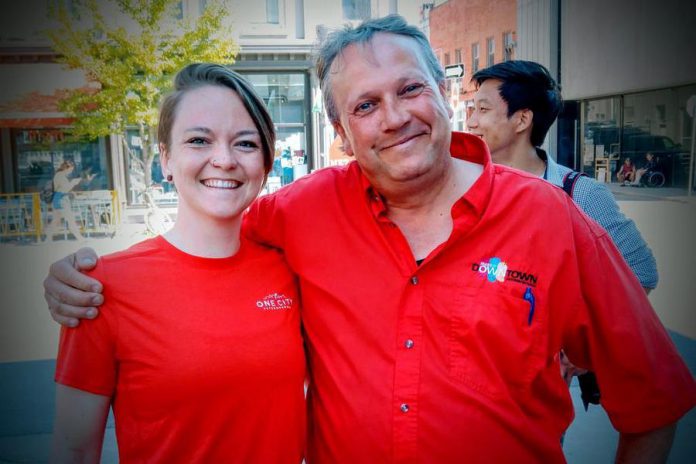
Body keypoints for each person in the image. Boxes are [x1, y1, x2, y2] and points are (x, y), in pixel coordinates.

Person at [44, 16, 694, 463]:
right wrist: (78, 276)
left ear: (443, 95)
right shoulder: (299, 214)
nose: (394, 118)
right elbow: (206, 236)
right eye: (364, 105)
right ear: (341, 134)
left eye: (410, 89)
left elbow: (653, 398)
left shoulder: (552, 220)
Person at [50, 63, 305, 463]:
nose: (223, 159)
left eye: (245, 143)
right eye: (199, 140)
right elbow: (74, 449)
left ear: (266, 164)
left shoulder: (291, 270)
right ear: (165, 159)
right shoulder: (99, 288)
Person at [45, 160, 95, 242]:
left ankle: (47, 239)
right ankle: (80, 238)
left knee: (56, 221)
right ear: (67, 168)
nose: (71, 172)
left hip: (58, 199)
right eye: (71, 170)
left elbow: (59, 188)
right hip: (62, 200)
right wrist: (73, 183)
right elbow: (64, 189)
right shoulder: (60, 176)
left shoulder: (58, 175)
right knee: (70, 220)